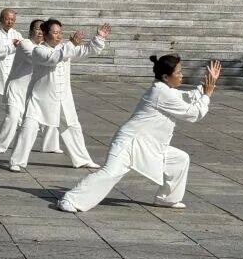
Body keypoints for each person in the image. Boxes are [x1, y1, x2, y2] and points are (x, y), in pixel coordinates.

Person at [60, 57, 221, 213]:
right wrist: (206, 95)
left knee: (180, 159)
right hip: (128, 143)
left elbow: (185, 97)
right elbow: (193, 114)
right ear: (166, 77)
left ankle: (166, 199)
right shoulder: (161, 93)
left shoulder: (165, 90)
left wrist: (206, 86)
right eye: (178, 72)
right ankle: (70, 200)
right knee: (111, 173)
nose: (181, 75)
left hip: (150, 145)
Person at [8, 20, 110, 172]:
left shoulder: (64, 48)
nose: (58, 36)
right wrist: (71, 44)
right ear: (45, 34)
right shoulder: (38, 50)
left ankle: (82, 160)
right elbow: (53, 58)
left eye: (60, 33)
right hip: (39, 100)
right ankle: (17, 161)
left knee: (73, 127)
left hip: (63, 99)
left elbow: (86, 50)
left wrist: (99, 38)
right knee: (28, 129)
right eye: (55, 33)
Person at [0, 19, 60, 155]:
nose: (40, 33)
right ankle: (0, 144)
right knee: (13, 117)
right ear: (30, 31)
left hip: (34, 90)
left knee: (50, 113)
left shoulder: (47, 48)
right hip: (16, 88)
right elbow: (34, 57)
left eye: (42, 30)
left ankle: (50, 145)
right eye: (37, 29)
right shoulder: (25, 44)